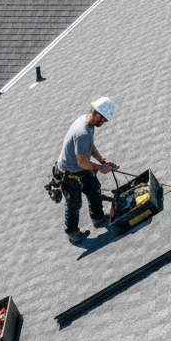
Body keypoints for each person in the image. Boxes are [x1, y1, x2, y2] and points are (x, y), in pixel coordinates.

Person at [57, 97, 117, 244]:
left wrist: (102, 160)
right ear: (97, 114)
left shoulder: (87, 122)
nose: (103, 123)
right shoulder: (82, 132)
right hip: (69, 174)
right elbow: (82, 162)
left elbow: (90, 145)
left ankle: (98, 218)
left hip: (80, 168)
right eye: (103, 120)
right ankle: (72, 233)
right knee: (74, 204)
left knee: (94, 188)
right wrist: (100, 168)